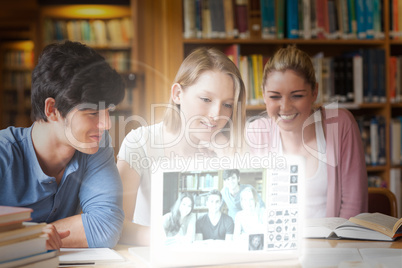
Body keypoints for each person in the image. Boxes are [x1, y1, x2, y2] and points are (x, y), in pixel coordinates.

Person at [0, 41, 125, 249]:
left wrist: (30, 237)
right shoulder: (4, 153)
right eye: (93, 113)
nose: (107, 124)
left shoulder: (95, 146)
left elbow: (106, 226)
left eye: (108, 111)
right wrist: (33, 238)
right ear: (52, 109)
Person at [117, 47, 246, 245]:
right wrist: (170, 238)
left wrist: (228, 160)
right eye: (206, 99)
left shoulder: (229, 148)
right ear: (177, 94)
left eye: (227, 105)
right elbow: (117, 225)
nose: (216, 114)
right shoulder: (140, 142)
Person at [246, 45, 368, 219]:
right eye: (275, 96)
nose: (285, 107)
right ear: (264, 95)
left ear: (314, 92)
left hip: (336, 243)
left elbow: (354, 206)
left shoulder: (340, 123)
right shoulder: (256, 132)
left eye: (297, 96)